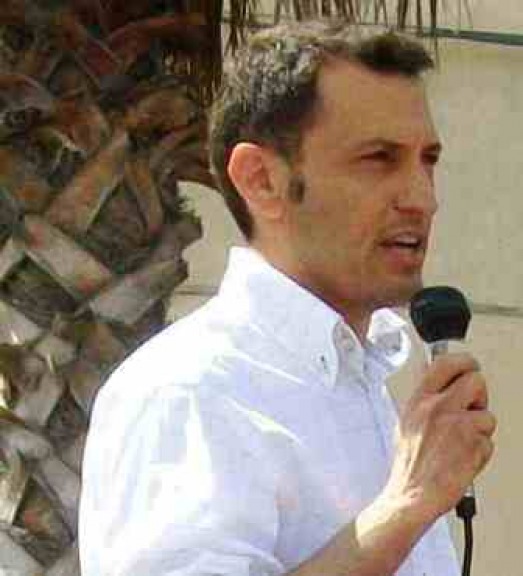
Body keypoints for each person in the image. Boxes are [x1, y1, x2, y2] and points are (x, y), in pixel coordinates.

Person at [79, 20, 496, 576]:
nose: (422, 198)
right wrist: (406, 505)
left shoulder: (359, 379)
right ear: (261, 180)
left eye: (428, 160)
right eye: (378, 159)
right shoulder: (187, 392)